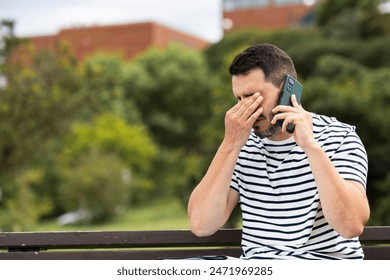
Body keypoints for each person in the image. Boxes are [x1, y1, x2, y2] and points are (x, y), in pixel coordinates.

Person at [187, 43, 370, 260]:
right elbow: (201, 225)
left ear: (288, 89)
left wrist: (311, 147)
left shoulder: (339, 137)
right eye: (239, 99)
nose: (247, 110)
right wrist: (230, 145)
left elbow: (351, 225)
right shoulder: (240, 146)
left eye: (254, 97)